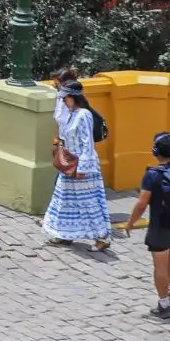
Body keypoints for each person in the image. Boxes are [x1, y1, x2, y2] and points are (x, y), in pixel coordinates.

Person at [123, 132, 170, 317]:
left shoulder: (152, 175)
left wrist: (130, 223)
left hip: (161, 225)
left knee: (160, 264)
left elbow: (142, 203)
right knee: (169, 252)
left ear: (155, 151)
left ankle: (164, 304)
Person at [42, 81, 114, 251]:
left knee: (87, 202)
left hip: (82, 166)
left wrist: (83, 168)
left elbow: (87, 144)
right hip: (69, 165)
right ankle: (64, 234)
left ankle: (102, 237)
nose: (64, 101)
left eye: (65, 98)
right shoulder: (70, 115)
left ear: (73, 98)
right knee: (63, 199)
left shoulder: (84, 115)